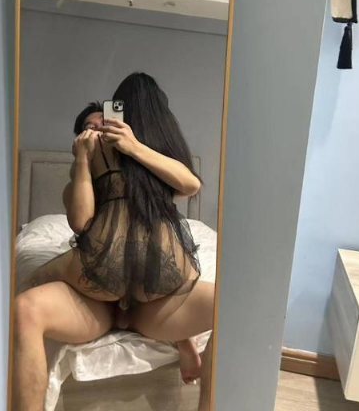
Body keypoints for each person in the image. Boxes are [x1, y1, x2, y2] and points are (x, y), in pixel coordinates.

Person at [13, 74, 215, 411]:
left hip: (151, 307)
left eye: (103, 124)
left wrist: (132, 146)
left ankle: (190, 359)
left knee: (230, 305)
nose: (98, 132)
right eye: (89, 128)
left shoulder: (150, 161)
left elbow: (189, 184)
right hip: (99, 303)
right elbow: (80, 222)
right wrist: (83, 161)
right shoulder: (86, 168)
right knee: (24, 304)